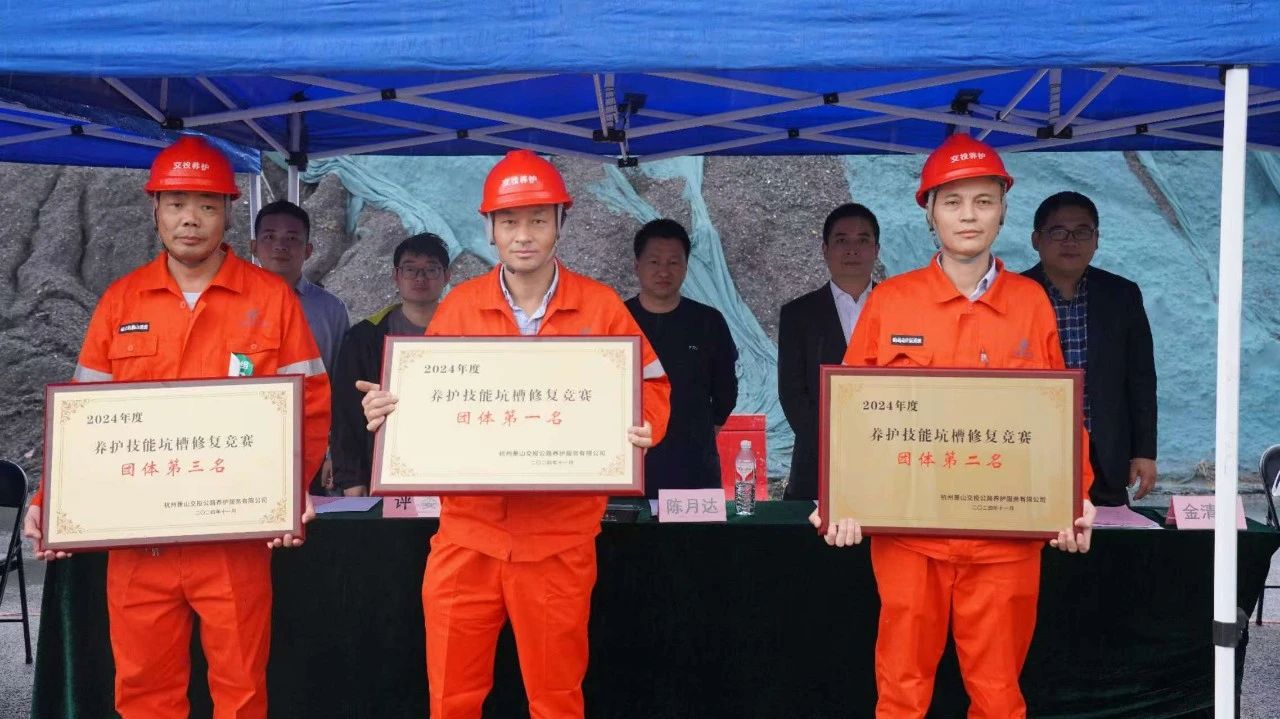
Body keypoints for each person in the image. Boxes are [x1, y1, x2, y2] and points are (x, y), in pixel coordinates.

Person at [23, 135, 330, 718]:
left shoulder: (271, 300)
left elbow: (310, 405)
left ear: (228, 212)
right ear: (155, 210)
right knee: (143, 693)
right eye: (177, 203)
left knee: (241, 693)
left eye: (207, 205)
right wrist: (49, 498)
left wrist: (289, 493)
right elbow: (82, 419)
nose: (191, 219)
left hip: (234, 537)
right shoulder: (121, 302)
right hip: (141, 541)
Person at [359, 149, 671, 718]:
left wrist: (646, 424)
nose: (523, 235)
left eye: (537, 220)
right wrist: (390, 412)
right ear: (490, 228)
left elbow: (651, 384)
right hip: (466, 535)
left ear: (560, 223)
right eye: (508, 221)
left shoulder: (600, 307)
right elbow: (428, 401)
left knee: (556, 700)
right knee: (451, 699)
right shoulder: (459, 307)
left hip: (559, 539)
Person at [815, 134, 1096, 719]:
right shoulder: (892, 301)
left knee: (998, 695)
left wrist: (1076, 496)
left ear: (1003, 211)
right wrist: (837, 497)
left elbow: (1060, 415)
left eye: (983, 201)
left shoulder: (1030, 302)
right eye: (952, 202)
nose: (968, 215)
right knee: (901, 689)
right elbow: (851, 412)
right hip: (909, 534)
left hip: (1004, 537)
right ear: (929, 212)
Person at [1023, 191, 1158, 506]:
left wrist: (1144, 452)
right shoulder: (1012, 293)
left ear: (1096, 240)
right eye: (1059, 232)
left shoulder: (1122, 295)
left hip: (1105, 453)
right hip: (1031, 450)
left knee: (1106, 536)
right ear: (1036, 239)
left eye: (1082, 232)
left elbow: (1141, 379)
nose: (1071, 242)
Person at [331, 232, 451, 496]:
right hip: (382, 474)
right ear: (395, 276)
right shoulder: (365, 337)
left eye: (431, 269)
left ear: (446, 275)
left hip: (450, 470)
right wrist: (351, 480)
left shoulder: (465, 332)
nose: (420, 278)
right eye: (410, 269)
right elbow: (346, 413)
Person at [624, 218, 737, 499]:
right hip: (629, 464)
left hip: (693, 466)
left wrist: (698, 433)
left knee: (694, 530)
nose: (664, 271)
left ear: (686, 266)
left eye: (673, 262)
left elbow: (725, 392)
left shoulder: (708, 321)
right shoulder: (617, 320)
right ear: (637, 265)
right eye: (654, 261)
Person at [778, 203, 880, 500]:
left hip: (886, 460)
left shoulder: (900, 308)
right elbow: (792, 394)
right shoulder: (798, 314)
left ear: (876, 249)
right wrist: (833, 443)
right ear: (825, 249)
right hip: (817, 464)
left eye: (863, 240)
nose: (852, 250)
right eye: (841, 240)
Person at [251, 199, 348, 495]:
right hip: (246, 442)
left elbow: (339, 386)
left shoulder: (330, 310)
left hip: (308, 446)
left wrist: (332, 451)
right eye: (269, 237)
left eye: (292, 238)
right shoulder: (228, 304)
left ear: (308, 250)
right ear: (254, 246)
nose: (280, 246)